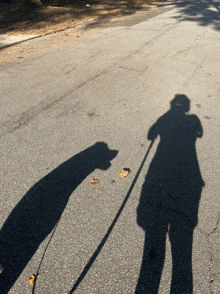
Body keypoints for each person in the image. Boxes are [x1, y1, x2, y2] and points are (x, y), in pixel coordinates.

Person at [136, 94, 204, 294]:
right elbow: (199, 133)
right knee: (182, 249)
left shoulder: (165, 118)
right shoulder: (193, 120)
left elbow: (150, 135)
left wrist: (162, 124)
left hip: (162, 166)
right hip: (188, 172)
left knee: (156, 240)